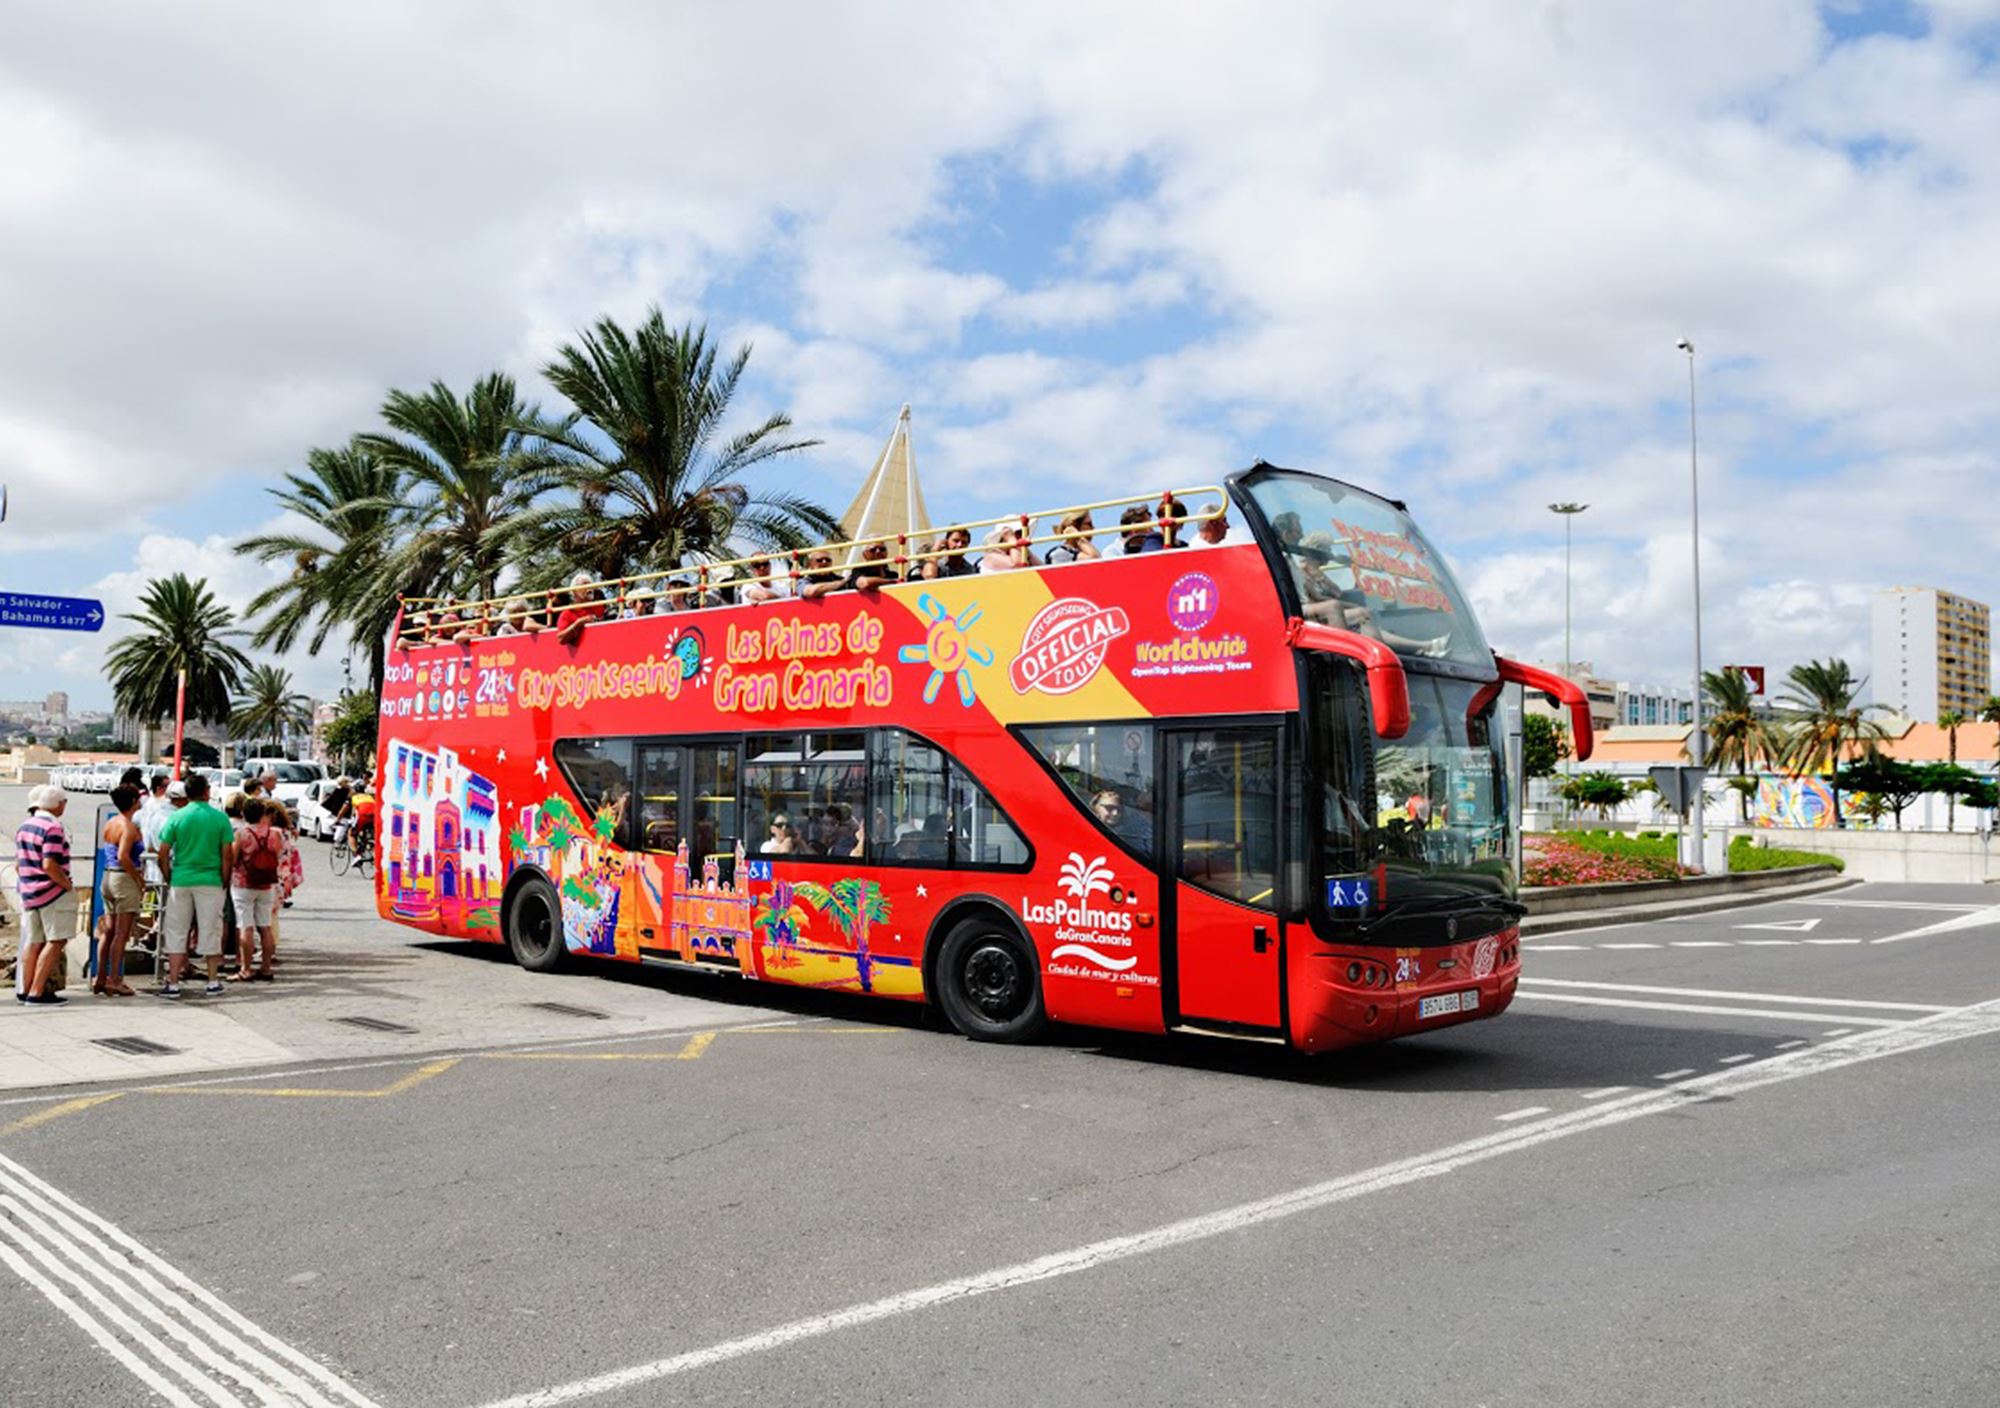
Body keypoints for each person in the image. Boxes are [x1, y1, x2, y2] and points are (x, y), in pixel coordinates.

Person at [155, 771, 236, 999]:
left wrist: (169, 875)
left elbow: (163, 853)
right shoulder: (220, 818)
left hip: (181, 878)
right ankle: (212, 980)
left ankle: (173, 982)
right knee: (210, 929)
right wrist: (225, 879)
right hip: (210, 880)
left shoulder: (177, 817)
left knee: (176, 929)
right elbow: (227, 854)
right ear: (207, 792)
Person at [14, 786, 75, 1004]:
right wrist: (66, 884)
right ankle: (37, 991)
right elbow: (49, 863)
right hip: (52, 892)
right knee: (56, 940)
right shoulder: (53, 828)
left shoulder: (25, 826)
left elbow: (17, 865)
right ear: (59, 804)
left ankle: (26, 987)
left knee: (33, 941)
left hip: (29, 891)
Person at [94, 783, 145, 997]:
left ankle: (100, 976)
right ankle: (115, 979)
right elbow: (124, 855)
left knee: (109, 930)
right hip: (123, 879)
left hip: (107, 877)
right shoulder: (128, 827)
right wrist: (138, 878)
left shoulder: (111, 823)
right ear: (133, 802)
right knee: (121, 934)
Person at [229, 798, 284, 983]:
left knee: (246, 927)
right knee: (265, 926)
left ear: (244, 814)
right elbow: (277, 855)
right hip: (266, 884)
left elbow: (234, 858)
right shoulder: (274, 834)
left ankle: (246, 969)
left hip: (243, 883)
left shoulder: (241, 833)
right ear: (263, 814)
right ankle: (266, 968)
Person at [1091, 787, 1154, 853]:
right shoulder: (1086, 832)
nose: (1115, 813)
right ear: (1096, 808)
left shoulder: (1131, 834)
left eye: (1119, 809)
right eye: (1109, 808)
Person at [554, 572, 606, 647]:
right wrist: (579, 623)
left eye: (590, 585)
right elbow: (561, 639)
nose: (589, 588)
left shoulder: (599, 606)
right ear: (574, 591)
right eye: (584, 585)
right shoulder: (568, 613)